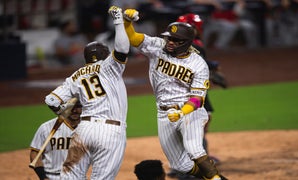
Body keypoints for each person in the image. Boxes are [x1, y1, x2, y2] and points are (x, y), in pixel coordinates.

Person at [123, 9, 227, 180]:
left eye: (175, 40)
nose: (170, 42)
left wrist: (181, 112)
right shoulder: (158, 46)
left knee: (194, 149)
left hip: (189, 112)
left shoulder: (198, 64)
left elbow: (198, 98)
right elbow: (134, 38)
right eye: (169, 38)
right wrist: (127, 23)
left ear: (187, 42)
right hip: (163, 113)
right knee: (180, 165)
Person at [44, 6, 130, 179]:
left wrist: (65, 114)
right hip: (110, 132)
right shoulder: (109, 66)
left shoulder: (75, 76)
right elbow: (121, 48)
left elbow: (51, 100)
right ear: (106, 55)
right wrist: (118, 21)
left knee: (69, 177)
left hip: (83, 131)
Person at [166, 13, 228, 180]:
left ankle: (179, 166)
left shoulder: (168, 45)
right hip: (192, 93)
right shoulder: (195, 45)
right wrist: (213, 68)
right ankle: (197, 167)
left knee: (183, 130)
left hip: (172, 94)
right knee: (197, 128)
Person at [29, 100, 82, 180]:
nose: (74, 110)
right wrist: (43, 177)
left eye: (78, 106)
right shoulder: (46, 128)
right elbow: (35, 153)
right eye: (70, 106)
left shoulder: (90, 128)